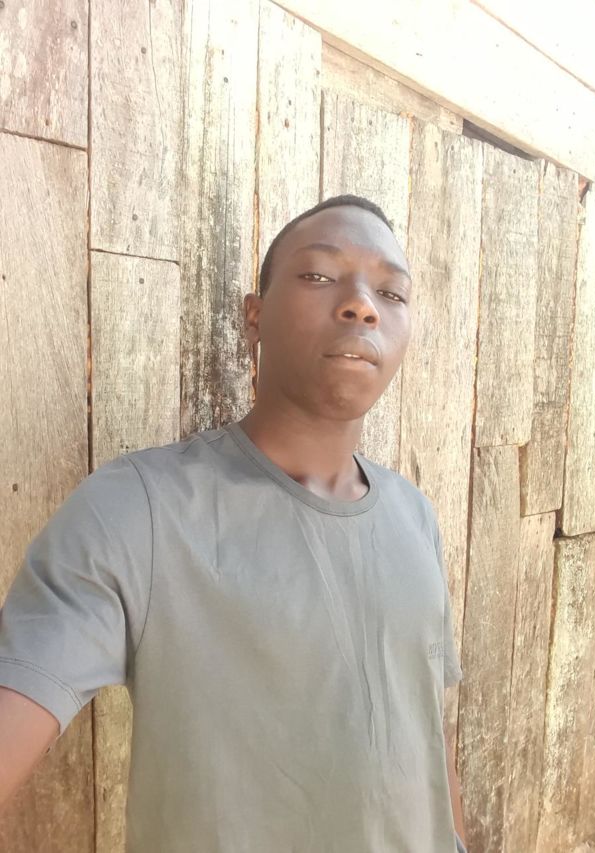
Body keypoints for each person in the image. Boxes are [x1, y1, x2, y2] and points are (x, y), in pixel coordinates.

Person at [0, 194, 468, 852]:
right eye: (319, 275)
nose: (362, 305)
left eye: (391, 293)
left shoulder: (413, 516)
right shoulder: (141, 511)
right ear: (255, 316)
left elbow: (425, 730)